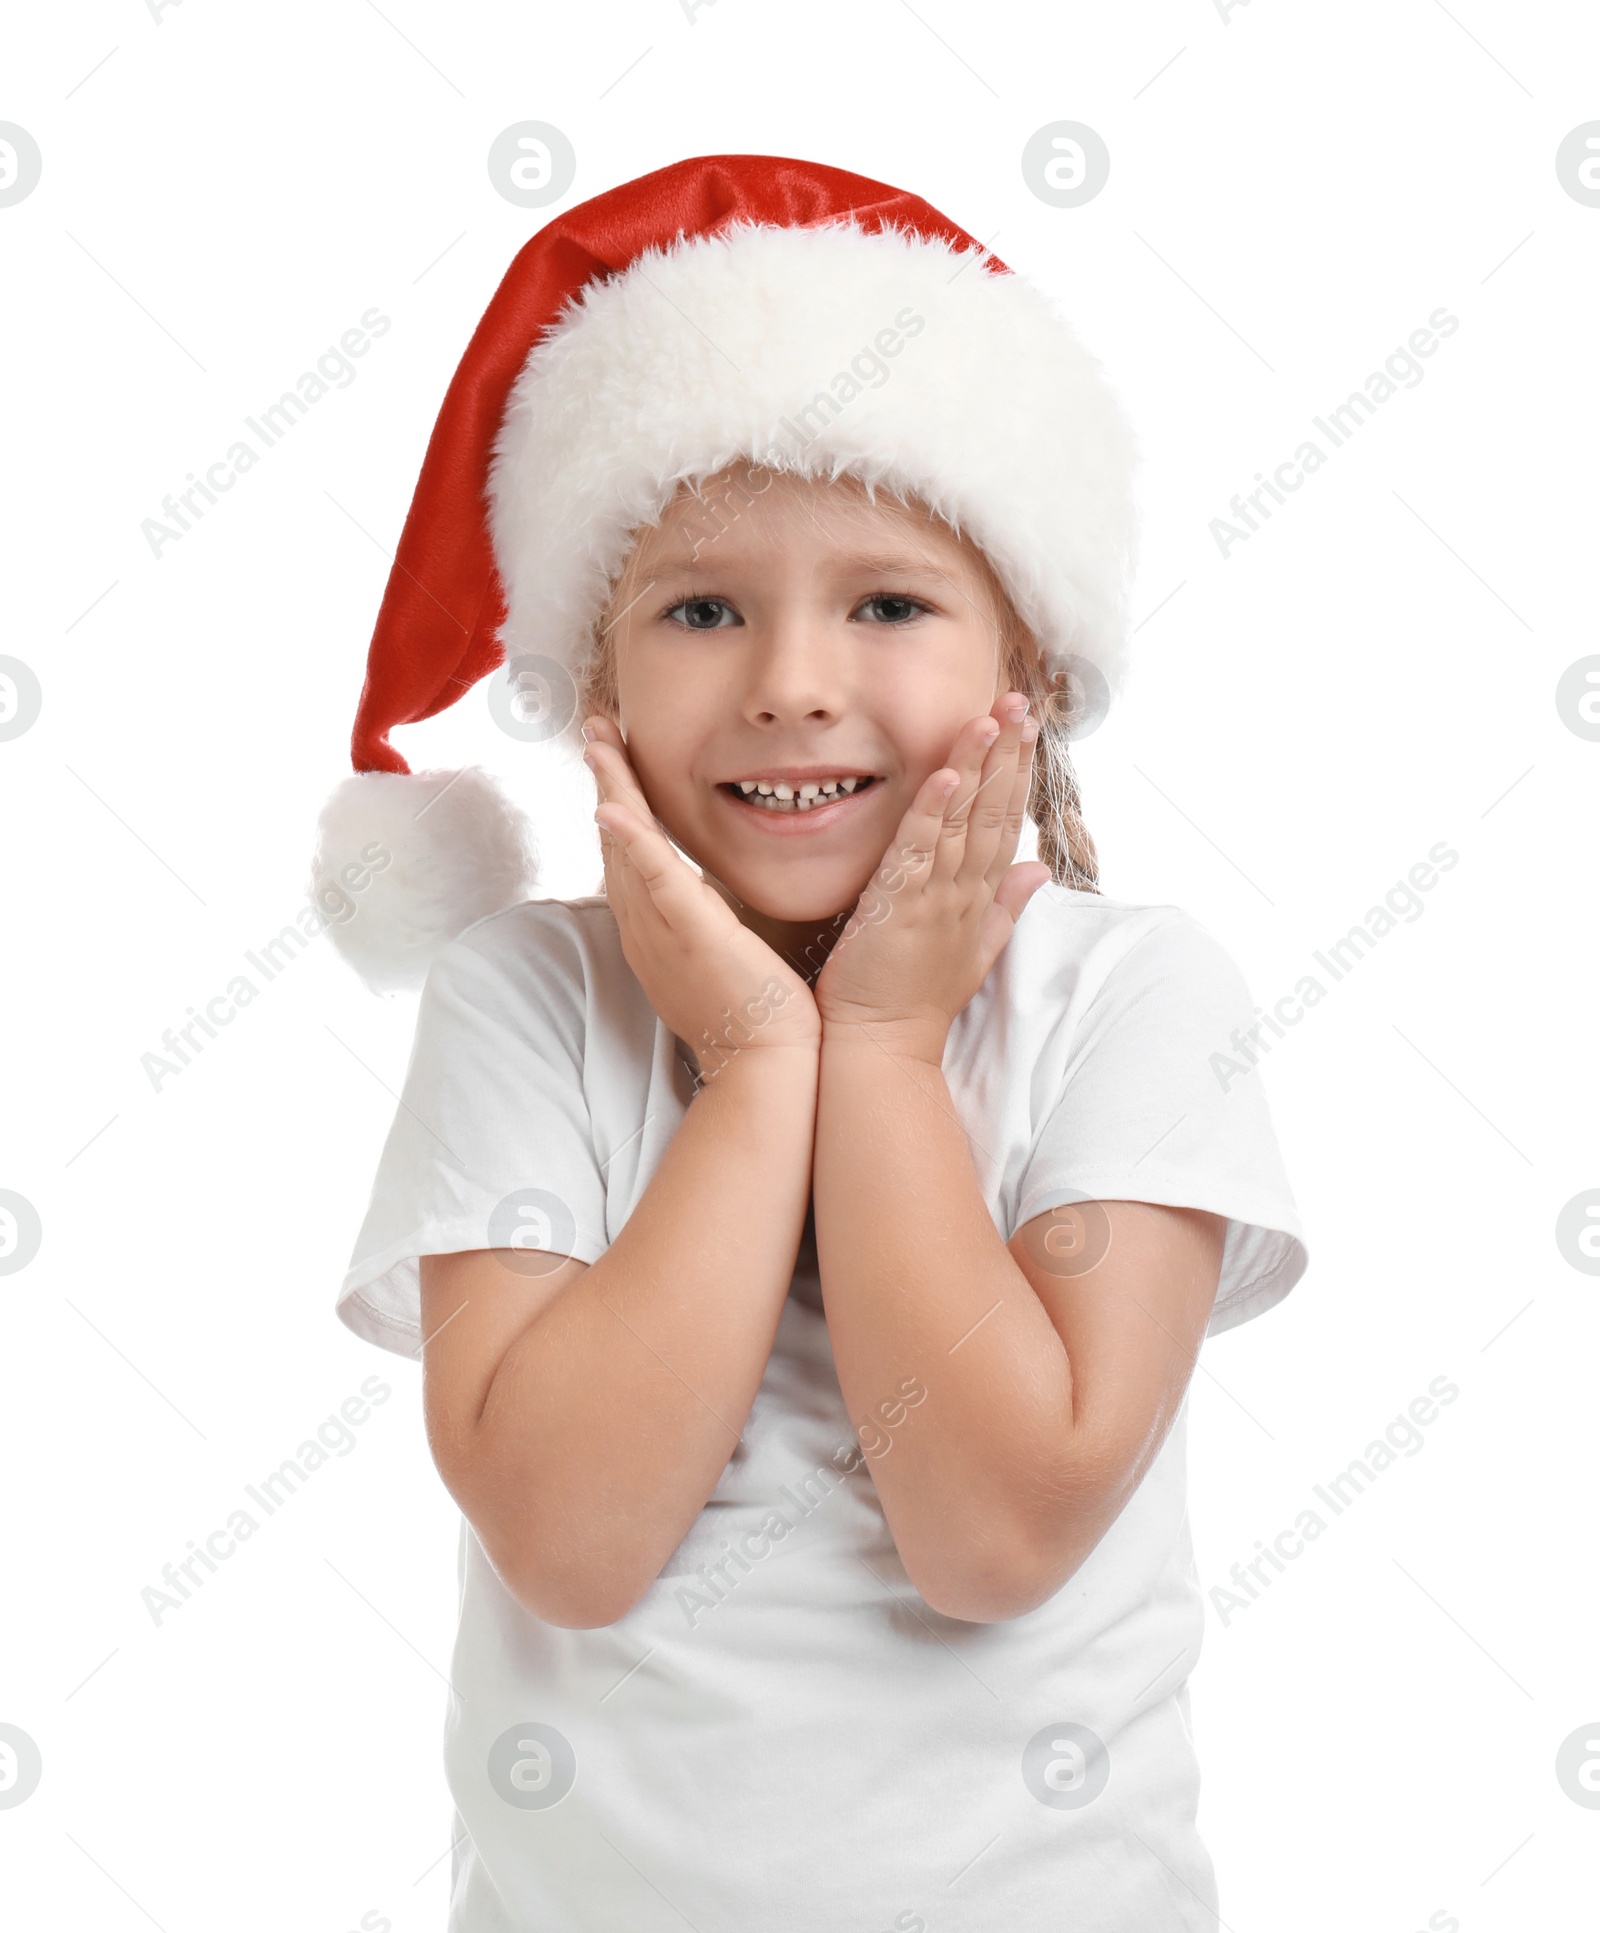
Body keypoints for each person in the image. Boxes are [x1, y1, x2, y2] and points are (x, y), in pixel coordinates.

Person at [312, 153, 1309, 1932]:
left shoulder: (1134, 996)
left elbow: (996, 1531)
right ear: (594, 687)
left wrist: (889, 1049)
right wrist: (763, 1068)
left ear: (1035, 667)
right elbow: (569, 1532)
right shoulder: (529, 1002)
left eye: (890, 601)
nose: (791, 678)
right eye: (701, 607)